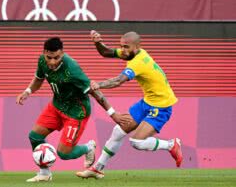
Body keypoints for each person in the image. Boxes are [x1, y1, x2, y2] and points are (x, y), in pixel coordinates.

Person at [76, 30, 183, 179]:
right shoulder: (132, 53)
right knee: (118, 131)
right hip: (147, 102)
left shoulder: (138, 62)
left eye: (126, 47)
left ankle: (171, 145)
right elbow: (106, 52)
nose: (123, 51)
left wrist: (98, 85)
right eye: (121, 46)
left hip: (161, 106)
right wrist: (97, 42)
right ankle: (97, 169)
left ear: (137, 46)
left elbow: (119, 80)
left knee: (137, 142)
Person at [16, 37, 122, 182]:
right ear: (44, 53)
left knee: (64, 154)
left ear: (63, 54)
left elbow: (94, 91)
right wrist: (27, 91)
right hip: (56, 105)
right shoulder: (42, 61)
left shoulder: (72, 69)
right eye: (49, 57)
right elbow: (39, 79)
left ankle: (88, 148)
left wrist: (113, 113)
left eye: (57, 58)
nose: (52, 62)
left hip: (76, 112)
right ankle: (45, 173)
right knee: (35, 136)